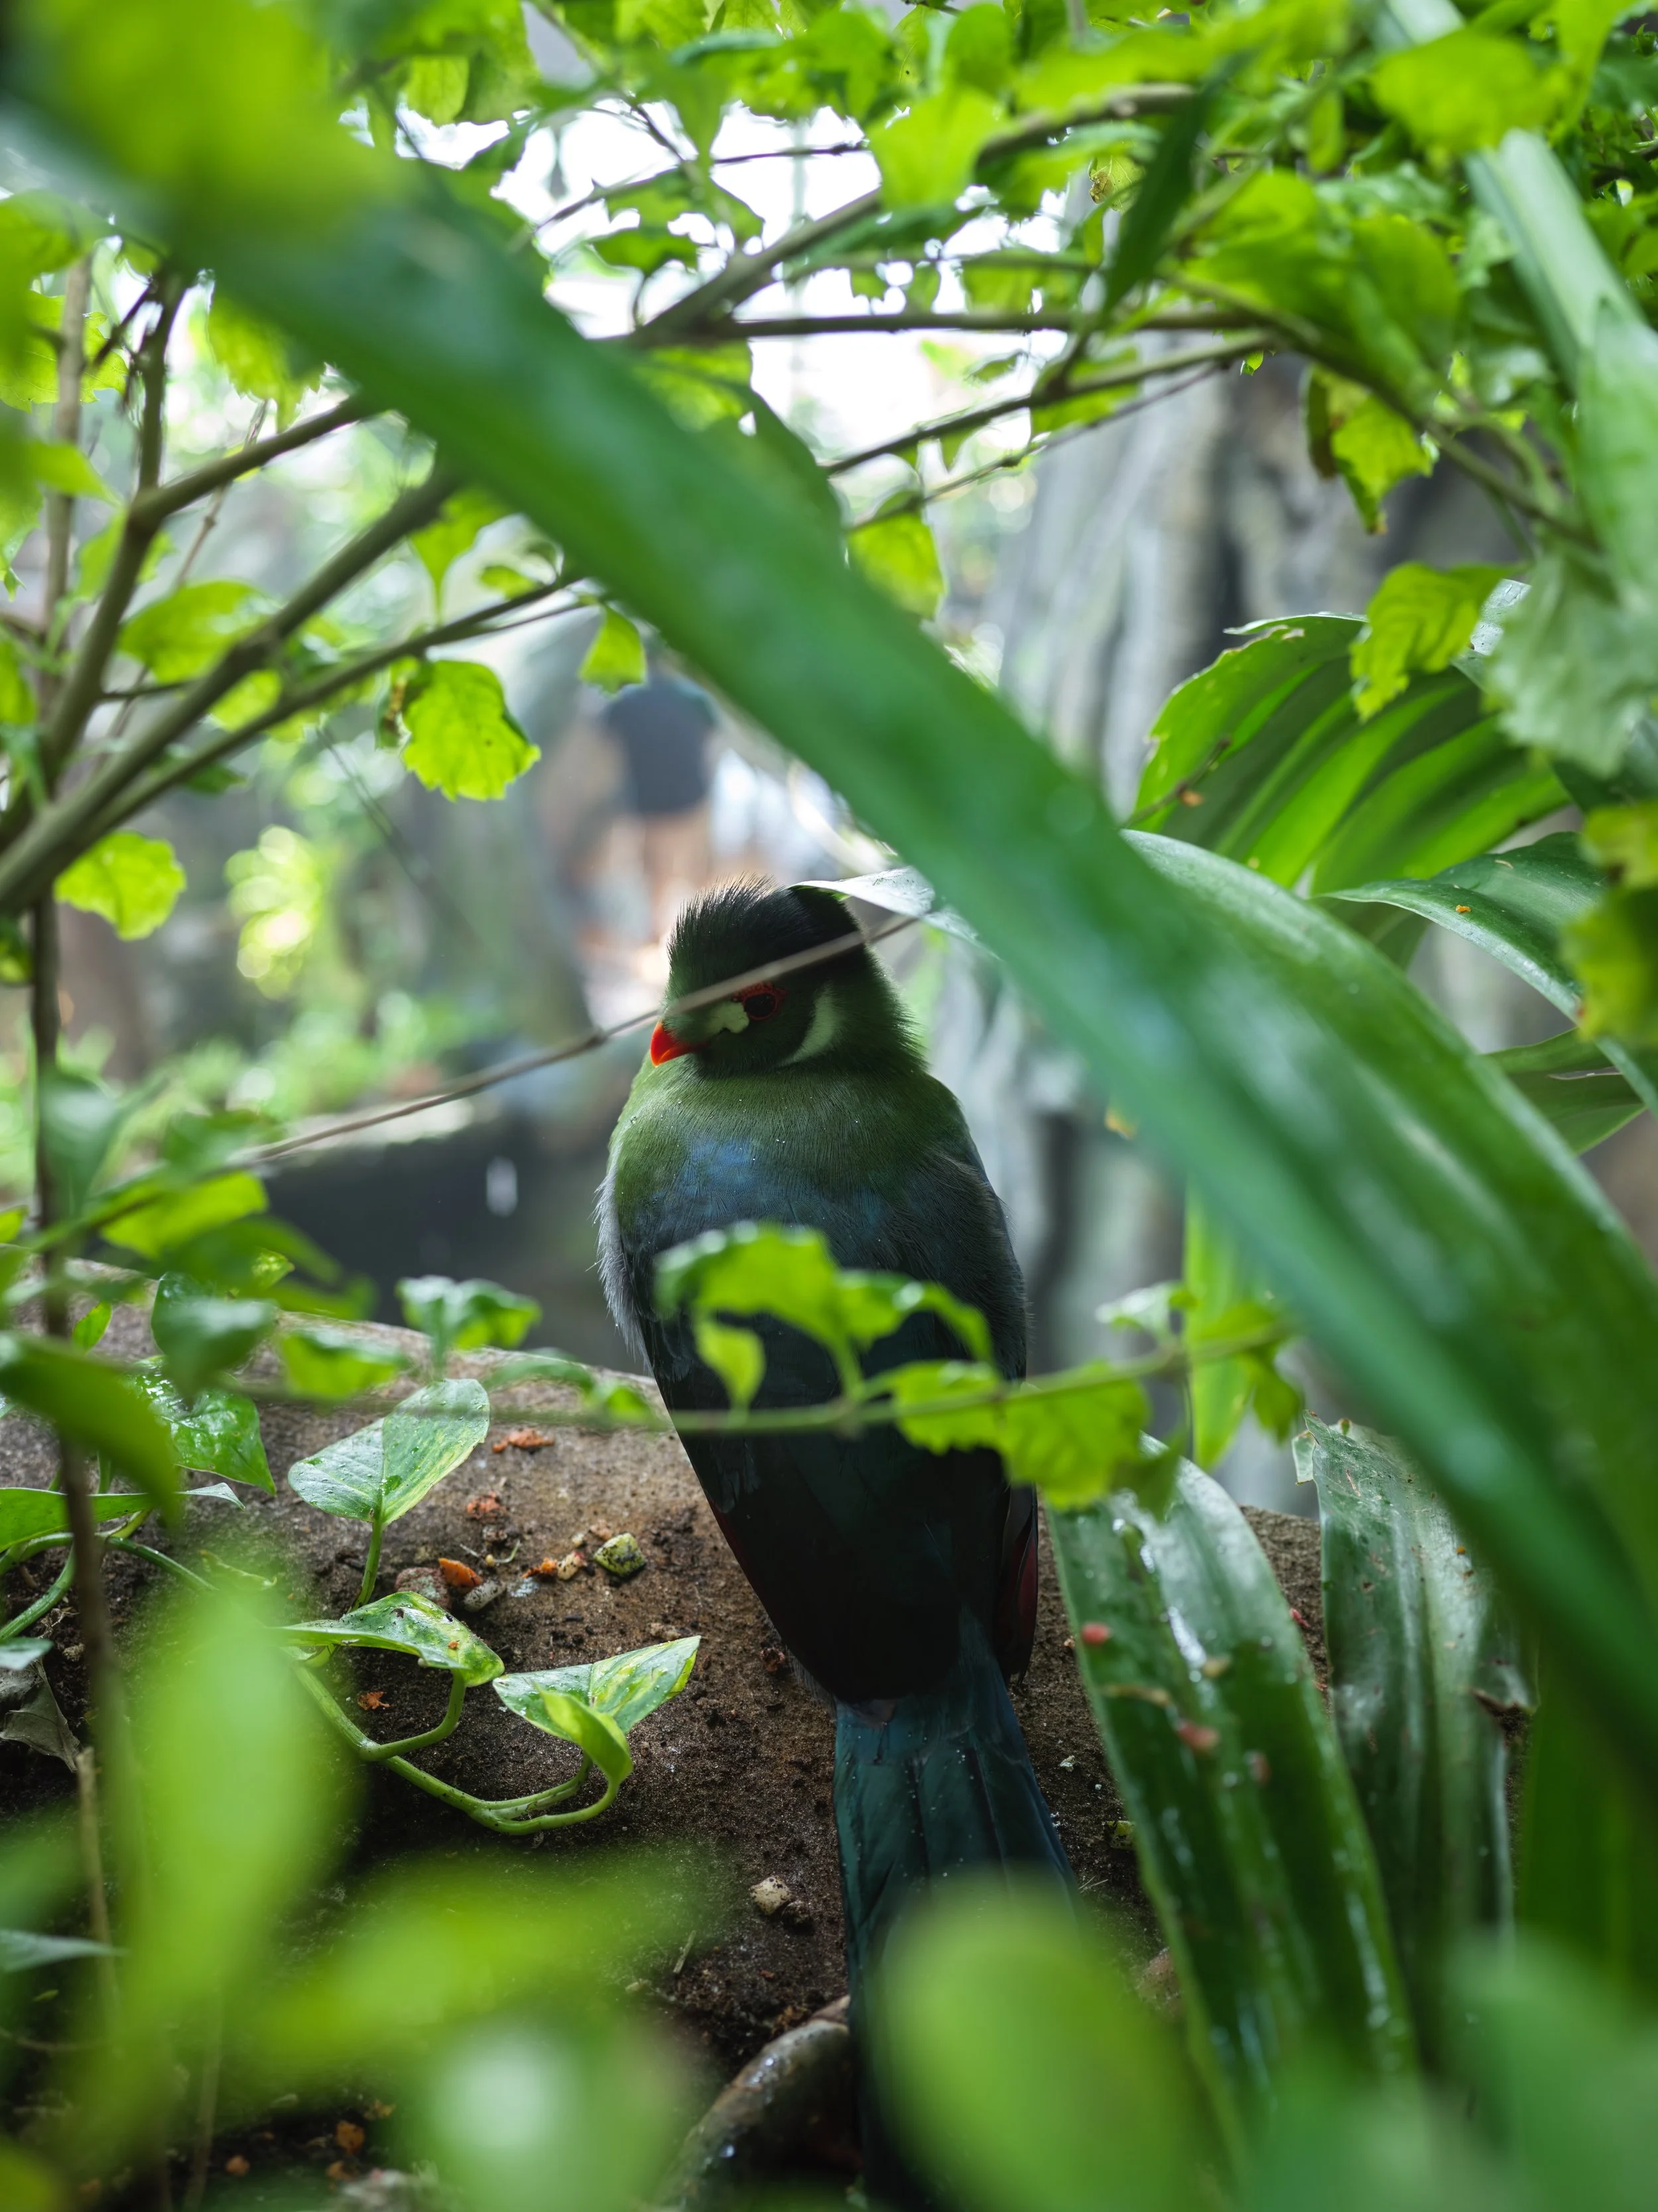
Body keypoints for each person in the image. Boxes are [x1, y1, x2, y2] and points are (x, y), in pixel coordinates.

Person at [598, 661, 717, 943]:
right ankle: (707, 931)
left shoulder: (624, 705)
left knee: (656, 872)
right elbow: (710, 741)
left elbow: (607, 752)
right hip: (692, 795)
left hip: (649, 801)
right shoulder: (693, 698)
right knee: (697, 866)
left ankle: (656, 933)